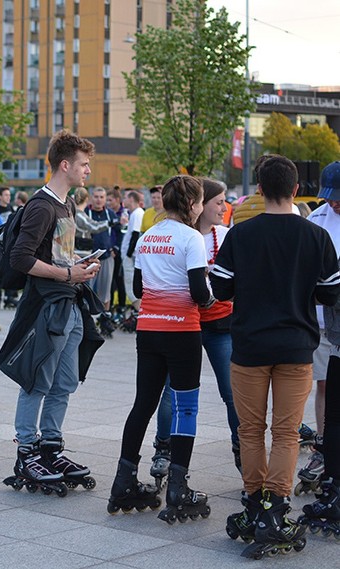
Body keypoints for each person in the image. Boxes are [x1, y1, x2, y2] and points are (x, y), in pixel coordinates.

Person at [211, 155, 339, 558]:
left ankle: (252, 504)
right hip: (297, 346)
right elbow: (331, 292)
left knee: (250, 430)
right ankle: (275, 509)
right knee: (286, 432)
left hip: (248, 345)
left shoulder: (241, 235)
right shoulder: (315, 236)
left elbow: (221, 290)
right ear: (297, 188)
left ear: (260, 189)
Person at [0, 130, 100, 493]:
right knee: (37, 381)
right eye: (84, 164)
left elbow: (57, 254)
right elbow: (20, 259)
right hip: (45, 307)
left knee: (64, 382)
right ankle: (27, 451)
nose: (88, 170)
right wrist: (68, 273)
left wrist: (78, 266)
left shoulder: (66, 204)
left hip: (68, 302)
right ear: (65, 165)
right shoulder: (42, 206)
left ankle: (51, 447)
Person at [107, 175, 212, 523]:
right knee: (185, 407)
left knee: (143, 404)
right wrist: (214, 296)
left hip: (148, 329)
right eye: (199, 202)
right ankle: (179, 488)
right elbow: (199, 292)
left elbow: (138, 286)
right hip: (181, 330)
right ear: (192, 205)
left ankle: (123, 482)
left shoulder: (149, 236)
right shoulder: (192, 238)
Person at [148, 178, 242, 490]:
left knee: (232, 392)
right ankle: (163, 448)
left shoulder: (225, 236)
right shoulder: (183, 238)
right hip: (182, 323)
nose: (223, 208)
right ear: (198, 206)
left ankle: (242, 448)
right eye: (218, 202)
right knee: (172, 391)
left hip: (219, 325)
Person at [301, 161, 340, 495]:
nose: (335, 202)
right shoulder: (318, 217)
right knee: (325, 385)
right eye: (331, 196)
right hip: (323, 318)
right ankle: (323, 446)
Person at [86, 187, 118, 314]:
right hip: (89, 258)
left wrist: (116, 248)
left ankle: (105, 317)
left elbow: (120, 231)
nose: (98, 200)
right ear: (91, 198)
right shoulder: (85, 213)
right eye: (96, 197)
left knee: (105, 291)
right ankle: (87, 317)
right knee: (87, 289)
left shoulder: (110, 214)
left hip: (106, 256)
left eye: (101, 197)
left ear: (105, 199)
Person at [120, 190, 145, 314]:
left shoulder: (137, 213)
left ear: (131, 199)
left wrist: (129, 255)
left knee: (131, 290)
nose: (123, 200)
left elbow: (136, 234)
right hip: (128, 256)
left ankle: (141, 313)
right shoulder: (133, 213)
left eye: (125, 197)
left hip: (131, 258)